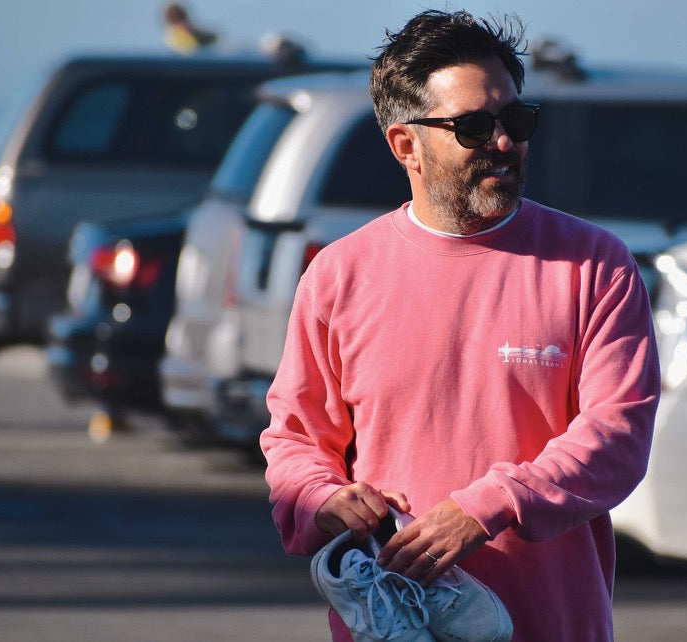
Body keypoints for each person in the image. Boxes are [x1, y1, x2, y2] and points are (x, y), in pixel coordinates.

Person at [259, 9, 660, 641]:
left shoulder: (595, 265)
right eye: (472, 127)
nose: (504, 142)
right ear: (405, 146)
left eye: (515, 120)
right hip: (394, 624)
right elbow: (296, 441)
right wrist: (322, 499)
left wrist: (487, 507)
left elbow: (618, 437)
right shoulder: (338, 275)